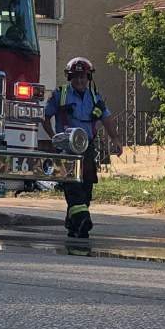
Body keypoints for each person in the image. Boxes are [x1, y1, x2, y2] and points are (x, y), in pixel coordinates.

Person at [42, 56, 123, 239]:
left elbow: (107, 119)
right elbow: (45, 117)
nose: (79, 80)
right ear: (70, 77)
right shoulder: (60, 94)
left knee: (86, 188)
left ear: (88, 78)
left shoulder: (95, 97)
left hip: (87, 148)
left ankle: (73, 222)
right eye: (76, 76)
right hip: (67, 150)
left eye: (83, 76)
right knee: (73, 188)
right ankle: (82, 221)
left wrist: (116, 139)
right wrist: (54, 138)